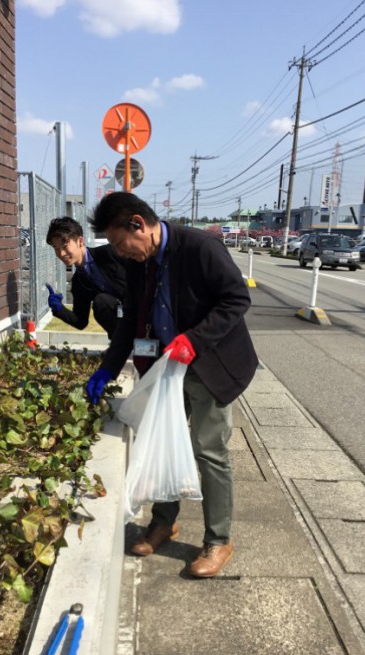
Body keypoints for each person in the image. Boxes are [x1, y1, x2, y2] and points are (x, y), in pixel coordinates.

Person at [85, 192, 259, 578]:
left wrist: (194, 340)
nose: (120, 252)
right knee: (161, 439)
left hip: (208, 363)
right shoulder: (139, 261)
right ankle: (164, 522)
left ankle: (219, 540)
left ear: (137, 224)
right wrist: (108, 368)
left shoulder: (200, 247)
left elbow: (236, 299)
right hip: (165, 367)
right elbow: (131, 318)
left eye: (118, 242)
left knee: (208, 449)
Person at [45, 216, 128, 338]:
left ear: (80, 241)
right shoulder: (79, 281)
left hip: (144, 312)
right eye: (56, 249)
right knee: (101, 302)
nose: (61, 254)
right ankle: (122, 343)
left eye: (65, 246)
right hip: (122, 331)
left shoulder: (109, 253)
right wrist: (59, 309)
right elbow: (80, 321)